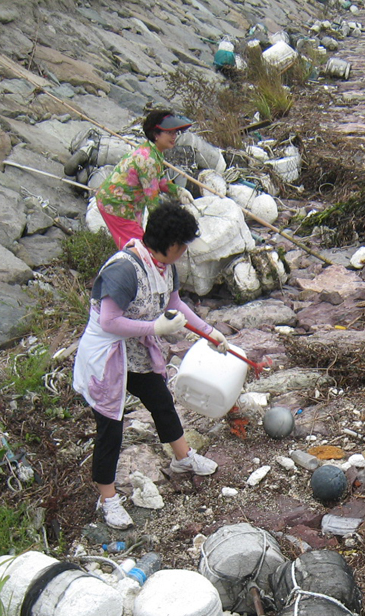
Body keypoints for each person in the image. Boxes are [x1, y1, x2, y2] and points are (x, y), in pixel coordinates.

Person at [73, 201, 228, 530]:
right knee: (110, 429)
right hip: (107, 356)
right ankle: (108, 498)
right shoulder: (125, 269)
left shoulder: (163, 267)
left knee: (160, 400)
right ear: (173, 245)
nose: (184, 252)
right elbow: (110, 320)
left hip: (137, 352)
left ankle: (184, 458)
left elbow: (174, 304)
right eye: (184, 246)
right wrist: (155, 329)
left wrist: (209, 332)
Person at [95, 109, 195, 249]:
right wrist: (163, 229)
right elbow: (152, 200)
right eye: (169, 133)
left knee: (137, 246)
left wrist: (178, 191)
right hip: (117, 205)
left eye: (175, 133)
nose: (174, 137)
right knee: (138, 249)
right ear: (156, 134)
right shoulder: (149, 160)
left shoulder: (153, 152)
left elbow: (156, 181)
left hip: (129, 203)